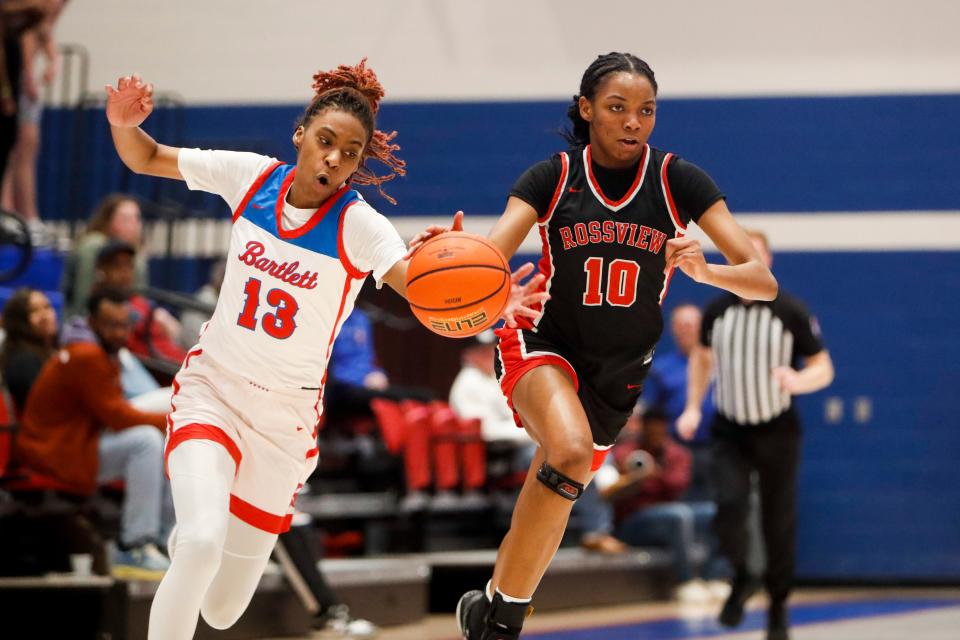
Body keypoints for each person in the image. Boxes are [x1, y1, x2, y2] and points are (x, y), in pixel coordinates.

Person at [104, 61, 544, 640]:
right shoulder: (251, 179)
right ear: (301, 135)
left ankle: (193, 541)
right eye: (325, 141)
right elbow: (145, 156)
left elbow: (426, 295)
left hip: (283, 422)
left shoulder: (361, 226)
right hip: (213, 392)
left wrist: (489, 300)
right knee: (203, 544)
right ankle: (194, 535)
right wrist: (122, 124)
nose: (333, 158)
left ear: (360, 163)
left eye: (350, 152)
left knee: (223, 608)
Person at [407, 52, 778, 639]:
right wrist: (472, 274)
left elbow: (762, 279)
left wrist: (708, 273)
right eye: (617, 108)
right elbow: (494, 254)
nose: (633, 122)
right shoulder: (551, 177)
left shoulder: (679, 179)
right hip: (544, 337)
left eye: (646, 110)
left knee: (561, 481)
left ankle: (492, 612)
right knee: (572, 451)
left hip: (620, 369)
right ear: (586, 109)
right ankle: (504, 626)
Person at [678, 229, 834, 640]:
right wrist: (693, 406)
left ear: (766, 262)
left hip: (778, 429)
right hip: (730, 428)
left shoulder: (791, 312)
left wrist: (798, 380)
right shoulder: (715, 311)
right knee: (728, 507)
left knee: (777, 521)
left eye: (754, 255)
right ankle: (743, 574)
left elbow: (823, 368)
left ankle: (778, 608)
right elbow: (701, 360)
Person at [14, 288, 173, 578]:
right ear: (93, 323)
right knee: (147, 442)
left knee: (163, 439)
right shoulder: (85, 355)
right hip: (57, 453)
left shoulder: (92, 350)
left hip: (76, 442)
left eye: (125, 325)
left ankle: (166, 540)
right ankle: (135, 545)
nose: (120, 333)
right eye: (111, 325)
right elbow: (116, 416)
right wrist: (170, 420)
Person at [598, 406, 714, 602]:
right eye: (650, 429)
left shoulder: (677, 453)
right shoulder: (625, 453)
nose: (655, 433)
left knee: (714, 512)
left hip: (668, 513)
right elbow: (614, 491)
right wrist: (636, 479)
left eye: (659, 429)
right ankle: (685, 582)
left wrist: (655, 474)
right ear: (643, 428)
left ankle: (715, 577)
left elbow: (679, 484)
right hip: (633, 521)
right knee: (678, 515)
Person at [93, 239, 186, 363]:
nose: (124, 273)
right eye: (117, 266)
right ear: (102, 269)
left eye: (129, 266)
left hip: (180, 365)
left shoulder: (139, 301)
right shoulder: (102, 306)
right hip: (158, 371)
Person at [62, 193, 150, 318]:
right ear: (108, 220)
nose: (132, 224)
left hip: (123, 318)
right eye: (125, 219)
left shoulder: (137, 255)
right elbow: (83, 296)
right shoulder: (92, 245)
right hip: (86, 319)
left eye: (136, 218)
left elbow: (139, 298)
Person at [0, 286, 57, 412]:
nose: (45, 315)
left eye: (47, 307)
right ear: (19, 321)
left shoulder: (48, 350)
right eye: (34, 311)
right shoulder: (24, 359)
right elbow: (44, 409)